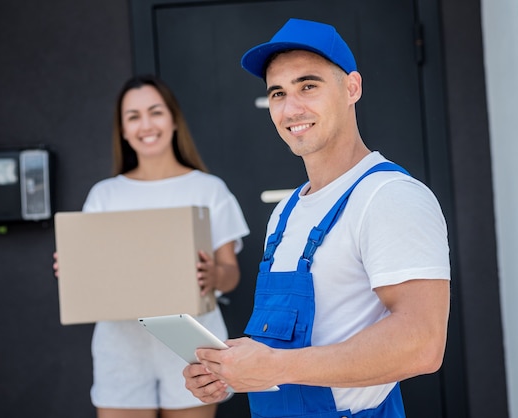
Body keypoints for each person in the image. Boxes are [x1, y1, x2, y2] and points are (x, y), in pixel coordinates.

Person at [182, 18, 451, 418]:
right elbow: (296, 342)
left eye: (308, 86)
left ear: (352, 88)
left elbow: (423, 343)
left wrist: (277, 367)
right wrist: (231, 370)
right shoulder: (286, 213)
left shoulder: (388, 196)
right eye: (278, 93)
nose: (291, 108)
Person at [54, 74, 249, 418]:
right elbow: (88, 273)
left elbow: (231, 274)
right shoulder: (105, 194)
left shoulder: (209, 189)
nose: (146, 124)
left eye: (155, 112)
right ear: (124, 130)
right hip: (120, 344)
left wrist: (212, 274)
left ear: (173, 120)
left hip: (193, 342)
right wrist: (73, 270)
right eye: (133, 116)